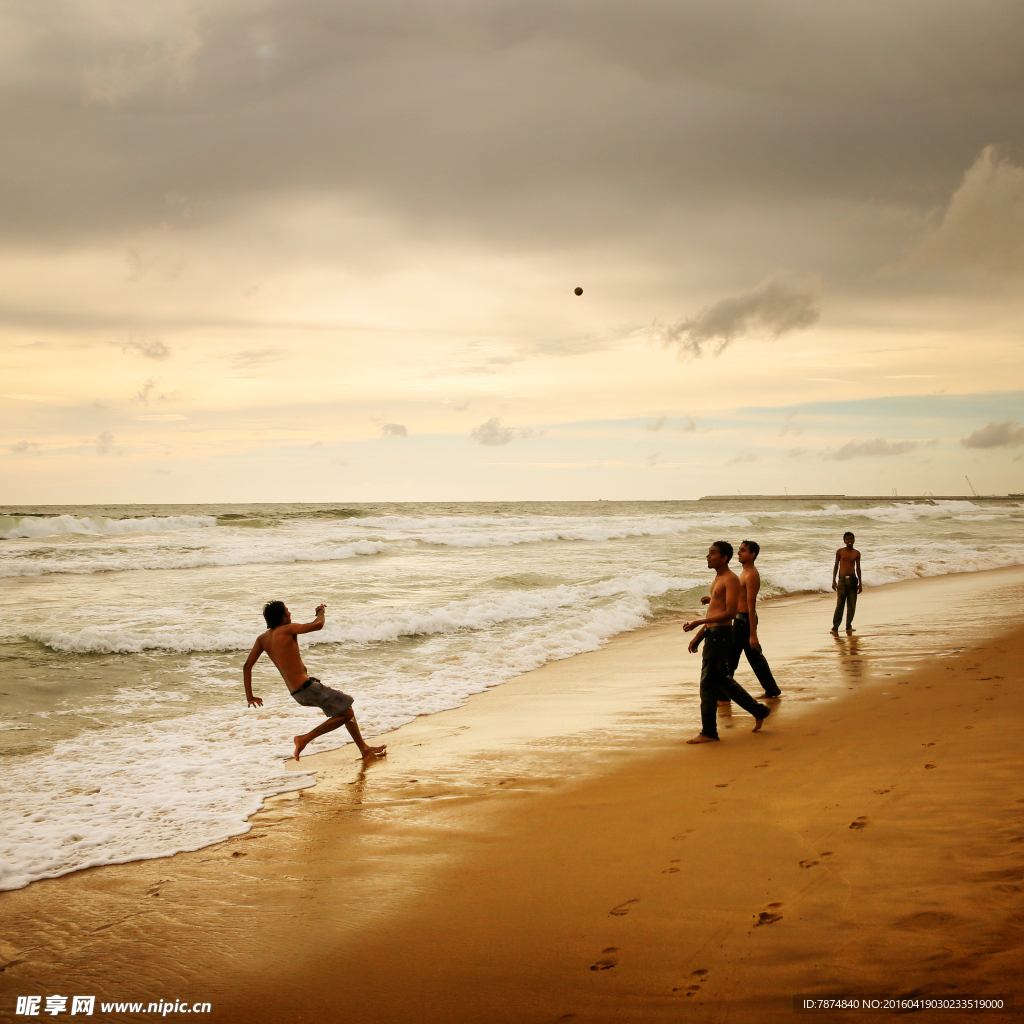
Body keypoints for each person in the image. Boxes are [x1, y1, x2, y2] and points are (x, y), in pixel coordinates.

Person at [243, 600, 386, 761]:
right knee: (348, 711)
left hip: (297, 693)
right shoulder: (288, 628)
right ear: (283, 618)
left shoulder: (262, 639)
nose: (290, 614)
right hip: (308, 687)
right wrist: (320, 612)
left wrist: (250, 697)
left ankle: (364, 749)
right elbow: (317, 625)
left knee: (344, 709)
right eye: (287, 611)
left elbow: (247, 666)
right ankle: (304, 739)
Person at [683, 541, 771, 744]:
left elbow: (731, 613)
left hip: (721, 636)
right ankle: (759, 710)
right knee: (722, 679)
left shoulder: (731, 579)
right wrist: (699, 636)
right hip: (714, 634)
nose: (708, 556)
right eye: (708, 552)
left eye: (712, 553)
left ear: (724, 558)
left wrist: (699, 623)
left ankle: (709, 732)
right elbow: (716, 610)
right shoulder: (718, 578)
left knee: (707, 684)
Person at [731, 539, 781, 698]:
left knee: (733, 658)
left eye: (743, 550)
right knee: (749, 658)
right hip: (740, 620)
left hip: (745, 621)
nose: (738, 553)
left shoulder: (752, 575)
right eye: (739, 549)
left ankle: (723, 693)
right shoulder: (744, 572)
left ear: (752, 555)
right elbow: (739, 598)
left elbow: (751, 606)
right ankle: (772, 689)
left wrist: (753, 634)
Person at [831, 532, 862, 635]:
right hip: (842, 581)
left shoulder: (856, 553)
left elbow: (858, 568)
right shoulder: (840, 552)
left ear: (854, 540)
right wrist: (833, 580)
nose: (849, 541)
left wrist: (860, 583)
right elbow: (836, 566)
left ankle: (848, 626)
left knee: (851, 605)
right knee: (840, 605)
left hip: (853, 581)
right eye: (847, 539)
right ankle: (835, 628)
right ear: (844, 541)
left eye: (851, 539)